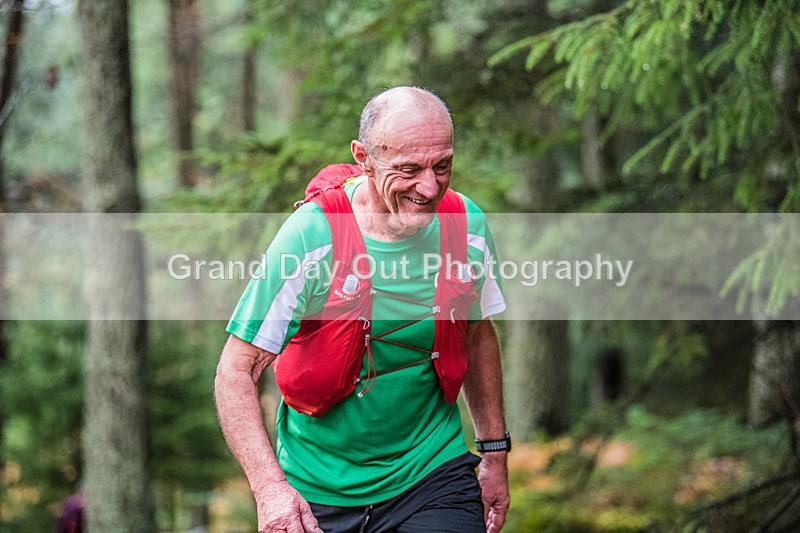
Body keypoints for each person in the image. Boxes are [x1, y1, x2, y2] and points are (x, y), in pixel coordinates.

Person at [215, 86, 510, 533]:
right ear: (363, 157)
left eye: (442, 165)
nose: (429, 187)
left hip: (432, 473)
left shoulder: (466, 226)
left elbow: (475, 333)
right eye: (408, 169)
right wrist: (270, 490)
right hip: (317, 491)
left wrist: (494, 452)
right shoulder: (311, 238)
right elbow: (235, 372)